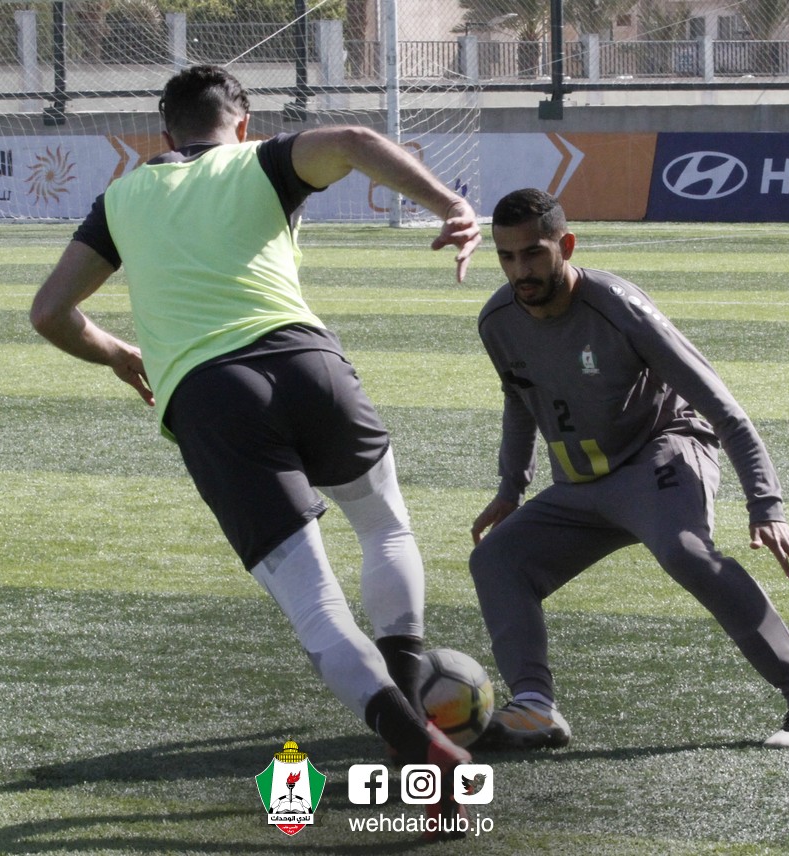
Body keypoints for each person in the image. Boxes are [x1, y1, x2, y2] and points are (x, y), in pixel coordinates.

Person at [30, 65, 482, 838]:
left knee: (315, 606)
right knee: (384, 526)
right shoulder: (261, 160)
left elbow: (50, 312)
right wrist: (452, 206)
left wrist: (117, 353)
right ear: (241, 122)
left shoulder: (121, 199)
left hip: (211, 399)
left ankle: (419, 747)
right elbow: (355, 139)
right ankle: (409, 712)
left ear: (164, 133)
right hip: (309, 363)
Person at [468, 188, 789, 751]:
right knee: (496, 559)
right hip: (582, 484)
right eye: (506, 256)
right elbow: (519, 399)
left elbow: (721, 406)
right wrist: (510, 487)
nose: (520, 270)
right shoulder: (498, 320)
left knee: (685, 551)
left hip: (660, 454)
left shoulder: (618, 306)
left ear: (565, 246)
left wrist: (767, 506)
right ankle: (535, 707)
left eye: (533, 254)